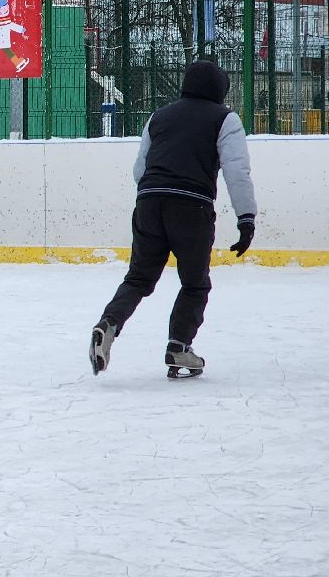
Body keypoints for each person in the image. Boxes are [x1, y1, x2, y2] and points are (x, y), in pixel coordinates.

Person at [90, 59, 256, 379]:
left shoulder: (159, 117)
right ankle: (179, 346)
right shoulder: (225, 119)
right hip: (191, 208)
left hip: (149, 203)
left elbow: (140, 170)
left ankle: (108, 323)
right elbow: (237, 171)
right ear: (221, 90)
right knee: (195, 283)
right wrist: (245, 218)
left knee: (138, 278)